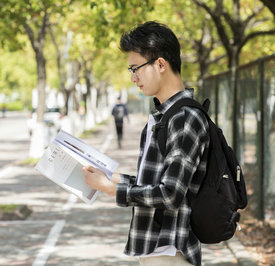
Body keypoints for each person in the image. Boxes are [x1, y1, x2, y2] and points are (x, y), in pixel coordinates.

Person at [82, 21, 210, 266]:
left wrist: (111, 189)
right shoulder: (165, 116)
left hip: (170, 252)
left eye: (135, 68)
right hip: (157, 250)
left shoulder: (184, 118)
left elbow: (170, 194)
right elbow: (158, 184)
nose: (133, 78)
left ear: (160, 64)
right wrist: (112, 178)